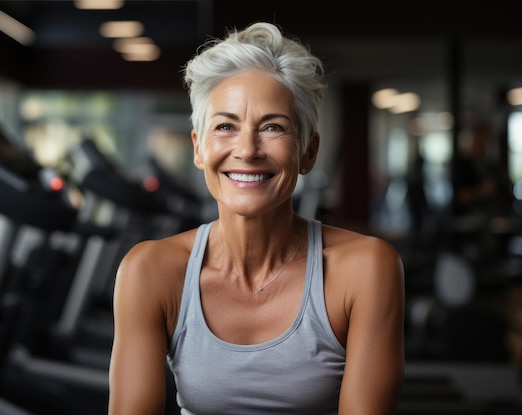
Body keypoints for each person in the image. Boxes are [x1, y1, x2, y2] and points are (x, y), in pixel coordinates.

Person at [108, 22, 405, 415]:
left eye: (273, 127)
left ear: (308, 152)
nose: (247, 150)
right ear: (199, 149)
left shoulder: (366, 270)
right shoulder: (150, 271)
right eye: (226, 127)